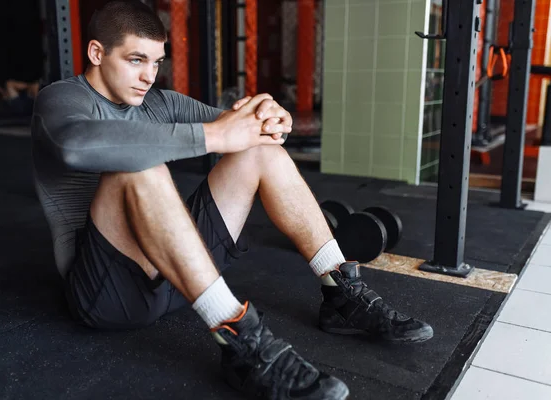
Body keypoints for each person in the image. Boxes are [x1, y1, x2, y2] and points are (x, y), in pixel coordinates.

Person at [31, 1, 433, 399]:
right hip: (109, 295)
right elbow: (74, 145)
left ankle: (340, 291)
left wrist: (274, 121)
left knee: (260, 152)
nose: (149, 76)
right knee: (137, 165)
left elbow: (241, 129)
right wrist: (217, 137)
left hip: (178, 277)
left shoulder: (161, 103)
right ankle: (239, 339)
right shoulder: (63, 99)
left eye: (156, 62)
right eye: (136, 60)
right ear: (97, 53)